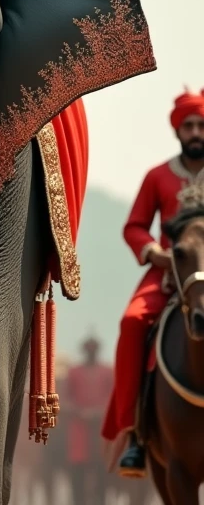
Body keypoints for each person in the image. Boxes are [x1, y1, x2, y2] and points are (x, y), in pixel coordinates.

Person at [102, 89, 204, 476]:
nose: (195, 132)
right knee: (131, 323)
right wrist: (153, 253)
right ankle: (135, 434)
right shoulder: (157, 176)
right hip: (168, 274)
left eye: (201, 125)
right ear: (178, 131)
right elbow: (134, 227)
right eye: (188, 126)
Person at [66, 337, 114, 505]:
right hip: (79, 433)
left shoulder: (107, 372)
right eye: (88, 349)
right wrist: (79, 411)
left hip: (101, 433)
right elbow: (65, 398)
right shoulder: (73, 372)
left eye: (93, 350)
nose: (91, 353)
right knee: (77, 484)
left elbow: (113, 396)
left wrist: (98, 412)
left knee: (103, 485)